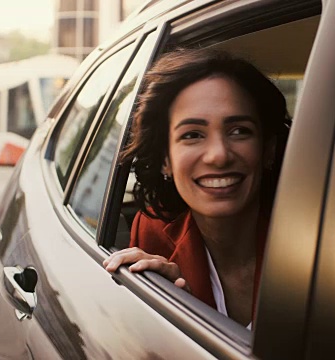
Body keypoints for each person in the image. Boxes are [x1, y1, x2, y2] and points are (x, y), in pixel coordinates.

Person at [103, 47, 290, 327]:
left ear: (268, 150)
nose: (218, 155)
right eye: (192, 135)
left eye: (239, 131)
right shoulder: (151, 231)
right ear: (165, 159)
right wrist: (177, 302)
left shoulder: (320, 242)